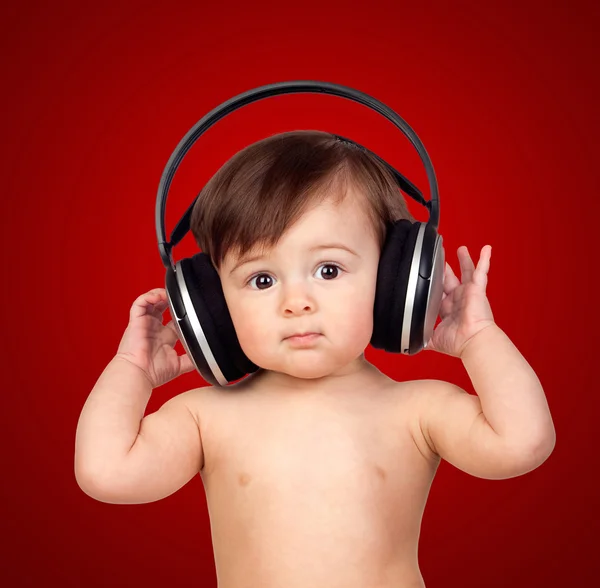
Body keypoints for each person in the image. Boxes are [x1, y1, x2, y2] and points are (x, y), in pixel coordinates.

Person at [74, 130, 556, 587]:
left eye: (328, 269)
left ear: (394, 278)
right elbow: (107, 473)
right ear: (212, 305)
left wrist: (478, 338)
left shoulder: (417, 410)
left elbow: (523, 443)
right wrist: (133, 371)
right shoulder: (206, 417)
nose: (296, 301)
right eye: (261, 280)